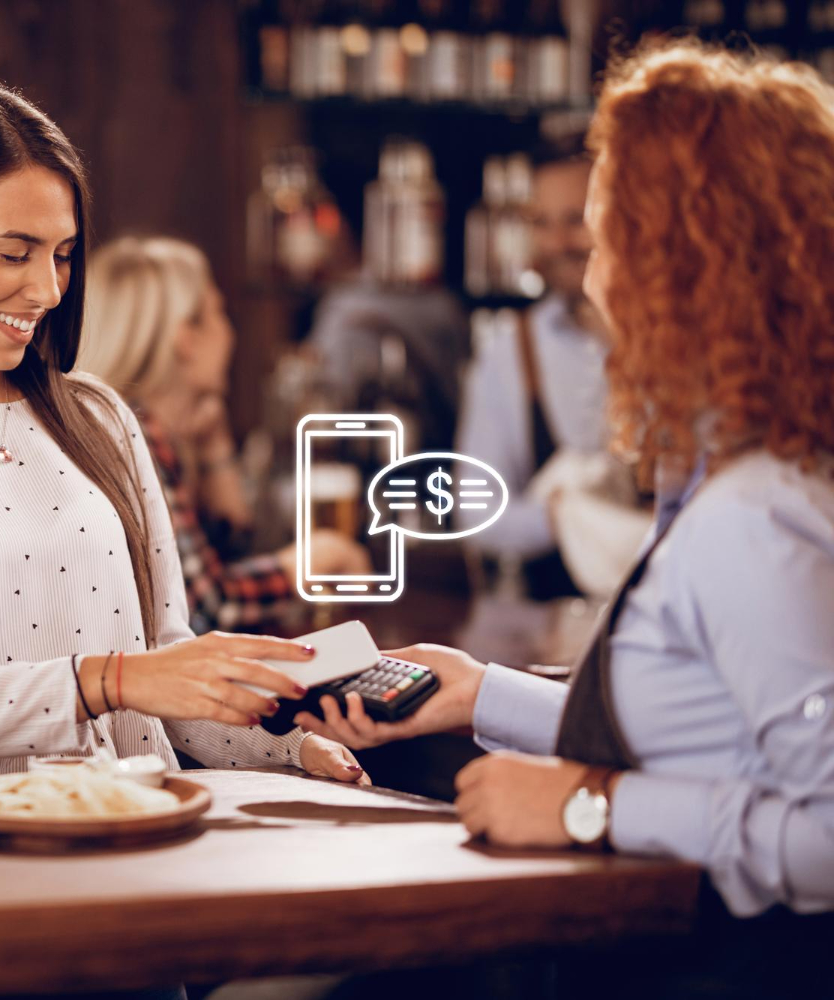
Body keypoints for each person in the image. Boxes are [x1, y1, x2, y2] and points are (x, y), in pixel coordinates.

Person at [298, 41, 834, 993]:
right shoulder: (750, 472)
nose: (588, 279)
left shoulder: (754, 518)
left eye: (605, 240)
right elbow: (702, 731)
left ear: (683, 266)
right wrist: (481, 696)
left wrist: (591, 808)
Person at [0, 77, 366, 793]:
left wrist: (291, 750)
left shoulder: (100, 418)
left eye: (63, 255)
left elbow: (166, 679)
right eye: (15, 254)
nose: (48, 290)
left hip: (124, 841)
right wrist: (108, 681)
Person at [75, 235, 369, 635]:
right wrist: (309, 562)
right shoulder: (131, 435)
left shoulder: (142, 427)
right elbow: (207, 608)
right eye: (219, 314)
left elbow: (232, 552)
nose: (229, 333)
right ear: (186, 339)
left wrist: (215, 448)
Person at [454, 131, 642, 601]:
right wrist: (569, 515)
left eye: (576, 220)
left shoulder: (680, 344)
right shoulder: (511, 351)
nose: (557, 242)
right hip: (555, 630)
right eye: (541, 222)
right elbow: (477, 514)